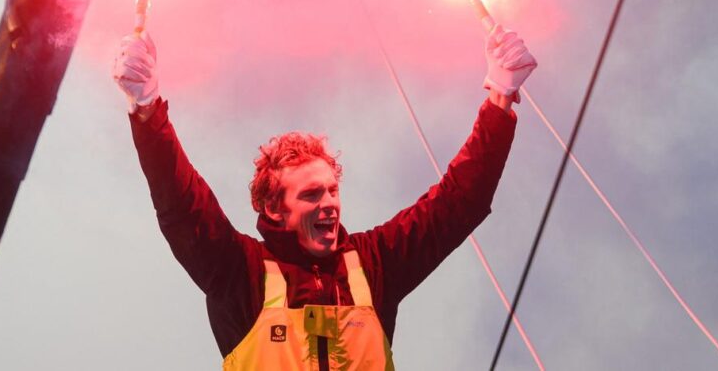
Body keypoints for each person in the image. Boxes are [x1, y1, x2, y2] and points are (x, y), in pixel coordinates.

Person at [112, 26, 536, 369]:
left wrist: (499, 99)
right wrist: (147, 110)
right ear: (274, 208)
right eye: (311, 195)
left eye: (332, 190)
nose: (329, 203)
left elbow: (457, 203)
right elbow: (183, 207)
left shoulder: (375, 263)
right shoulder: (238, 274)